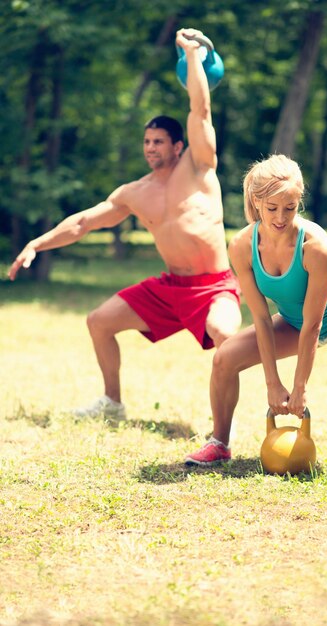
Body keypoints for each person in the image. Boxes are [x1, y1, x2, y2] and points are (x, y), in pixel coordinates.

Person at [8, 28, 242, 422]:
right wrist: (36, 243)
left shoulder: (199, 168)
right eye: (146, 142)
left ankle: (223, 429)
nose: (151, 148)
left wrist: (194, 57)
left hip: (213, 286)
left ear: (178, 145)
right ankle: (112, 404)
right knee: (99, 321)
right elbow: (83, 222)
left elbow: (200, 111)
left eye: (159, 142)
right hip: (170, 288)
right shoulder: (135, 192)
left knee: (224, 334)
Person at [185, 153, 327, 485]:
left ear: (298, 202)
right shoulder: (242, 246)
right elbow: (260, 317)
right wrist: (273, 383)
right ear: (257, 202)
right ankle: (219, 443)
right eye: (272, 208)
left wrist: (300, 387)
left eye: (290, 207)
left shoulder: (317, 246)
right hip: (293, 319)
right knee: (224, 357)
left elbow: (315, 324)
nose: (281, 217)